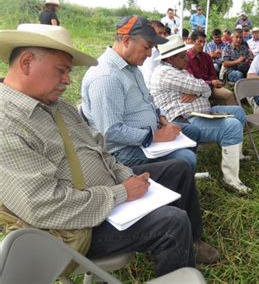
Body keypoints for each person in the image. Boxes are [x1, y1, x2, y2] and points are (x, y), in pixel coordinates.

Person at [0, 23, 219, 277]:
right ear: (26, 63)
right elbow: (45, 208)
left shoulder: (59, 107)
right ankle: (177, 255)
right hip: (71, 229)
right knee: (173, 222)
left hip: (106, 194)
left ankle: (189, 243)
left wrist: (125, 176)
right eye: (61, 71)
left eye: (68, 71)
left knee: (179, 168)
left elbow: (99, 149)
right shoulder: (7, 125)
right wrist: (121, 193)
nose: (67, 80)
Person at [81, 16, 199, 169]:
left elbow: (148, 100)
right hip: (121, 150)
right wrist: (154, 137)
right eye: (146, 47)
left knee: (192, 131)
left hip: (148, 133)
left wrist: (162, 118)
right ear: (126, 40)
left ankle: (179, 178)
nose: (150, 54)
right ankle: (174, 178)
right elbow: (110, 131)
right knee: (185, 159)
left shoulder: (132, 67)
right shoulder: (106, 77)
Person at [150, 35, 251, 194]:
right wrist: (201, 90)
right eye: (183, 56)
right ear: (170, 58)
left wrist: (198, 93)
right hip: (186, 120)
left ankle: (236, 155)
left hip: (201, 112)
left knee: (238, 111)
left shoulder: (178, 69)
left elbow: (204, 89)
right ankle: (231, 180)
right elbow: (202, 86)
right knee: (232, 126)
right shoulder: (166, 73)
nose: (186, 60)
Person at [187, 31, 236, 105]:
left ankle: (233, 115)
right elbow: (191, 81)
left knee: (229, 94)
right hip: (195, 90)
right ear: (193, 42)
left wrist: (215, 82)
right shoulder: (186, 58)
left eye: (204, 42)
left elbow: (213, 73)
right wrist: (211, 82)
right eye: (199, 41)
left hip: (210, 87)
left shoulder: (206, 57)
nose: (202, 45)